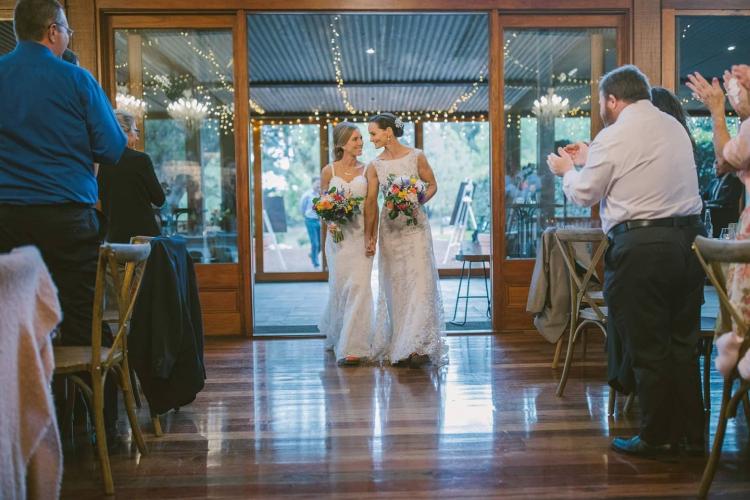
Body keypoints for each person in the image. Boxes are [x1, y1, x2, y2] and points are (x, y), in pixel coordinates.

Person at [546, 65, 705, 456]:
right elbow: (639, 167)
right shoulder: (673, 128)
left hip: (641, 249)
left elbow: (585, 193)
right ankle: (692, 434)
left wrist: (568, 170)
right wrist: (591, 154)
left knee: (648, 344)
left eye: (601, 101)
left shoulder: (614, 136)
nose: (601, 108)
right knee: (682, 342)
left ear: (613, 100)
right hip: (688, 243)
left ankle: (656, 435)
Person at [0, 0, 126, 346]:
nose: (67, 36)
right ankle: (85, 398)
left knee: (11, 316)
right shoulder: (76, 79)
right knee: (80, 318)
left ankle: (21, 394)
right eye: (67, 29)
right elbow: (113, 148)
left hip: (5, 221)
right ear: (53, 31)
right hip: (66, 221)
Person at [364, 113, 447, 367]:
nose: (371, 139)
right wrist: (370, 235)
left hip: (416, 229)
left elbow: (431, 184)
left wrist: (417, 200)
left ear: (388, 132)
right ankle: (401, 342)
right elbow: (370, 203)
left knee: (421, 283)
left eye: (373, 133)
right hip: (391, 231)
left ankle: (419, 345)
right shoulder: (374, 165)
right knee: (397, 286)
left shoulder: (416, 156)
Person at [318, 122, 374, 365]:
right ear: (341, 144)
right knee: (340, 288)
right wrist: (328, 223)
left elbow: (373, 206)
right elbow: (322, 206)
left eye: (361, 138)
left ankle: (354, 346)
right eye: (355, 139)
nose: (360, 143)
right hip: (338, 239)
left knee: (360, 287)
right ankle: (340, 335)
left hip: (360, 236)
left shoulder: (368, 170)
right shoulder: (328, 171)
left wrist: (371, 237)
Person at [98, 110, 166, 243]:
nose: (137, 138)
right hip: (143, 240)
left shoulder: (100, 162)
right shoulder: (141, 160)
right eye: (136, 131)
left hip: (114, 240)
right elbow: (159, 199)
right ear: (125, 132)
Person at [299, 177, 322, 269]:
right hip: (310, 220)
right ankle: (315, 263)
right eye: (317, 183)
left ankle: (312, 254)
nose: (318, 185)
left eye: (320, 184)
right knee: (315, 243)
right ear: (312, 184)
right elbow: (302, 208)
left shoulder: (321, 195)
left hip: (319, 221)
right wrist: (306, 216)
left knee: (320, 243)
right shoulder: (307, 195)